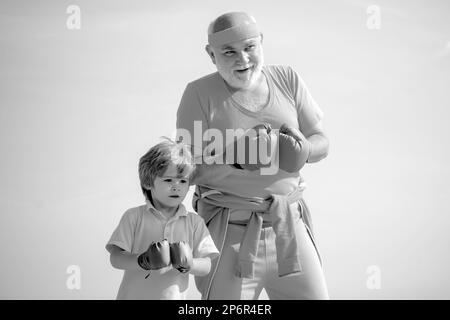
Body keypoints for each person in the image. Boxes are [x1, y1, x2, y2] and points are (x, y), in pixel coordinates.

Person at [176, 12, 330, 300]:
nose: (243, 59)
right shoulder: (197, 94)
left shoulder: (288, 79)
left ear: (261, 42)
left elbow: (322, 141)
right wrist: (233, 158)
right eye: (229, 52)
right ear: (211, 54)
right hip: (228, 235)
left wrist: (306, 151)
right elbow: (182, 173)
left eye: (249, 48)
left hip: (289, 229)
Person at [106, 139, 219, 299]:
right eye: (168, 180)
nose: (176, 186)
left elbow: (207, 265)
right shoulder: (134, 216)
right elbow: (115, 258)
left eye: (183, 181)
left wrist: (190, 263)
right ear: (147, 182)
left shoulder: (194, 222)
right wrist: (143, 260)